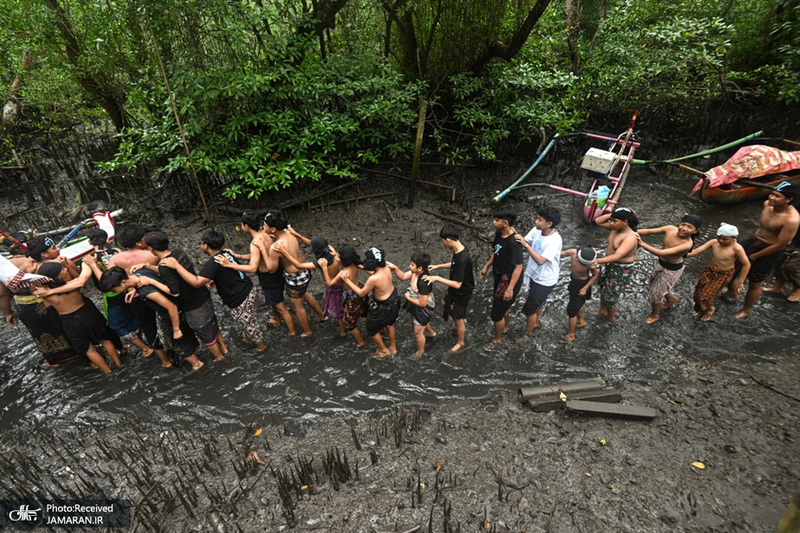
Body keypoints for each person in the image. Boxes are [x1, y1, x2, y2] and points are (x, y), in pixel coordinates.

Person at [160, 229, 267, 352]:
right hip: (247, 290)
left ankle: (261, 346)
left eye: (200, 243)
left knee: (250, 324)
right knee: (247, 320)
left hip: (240, 298)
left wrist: (177, 266)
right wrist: (213, 279)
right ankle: (248, 338)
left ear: (205, 246)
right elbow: (227, 271)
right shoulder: (225, 253)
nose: (200, 246)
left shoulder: (213, 263)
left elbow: (196, 282)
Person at [143, 231, 227, 361]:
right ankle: (224, 347)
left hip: (193, 305)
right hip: (203, 295)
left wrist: (151, 281)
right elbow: (167, 270)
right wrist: (148, 266)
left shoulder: (165, 266)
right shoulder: (178, 252)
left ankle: (218, 357)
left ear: (151, 248)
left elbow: (174, 291)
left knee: (204, 332)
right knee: (211, 323)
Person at [723, 182, 800, 317]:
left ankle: (745, 310)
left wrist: (755, 256)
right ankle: (731, 291)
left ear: (788, 199)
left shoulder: (791, 219)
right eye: (771, 194)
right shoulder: (767, 205)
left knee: (755, 282)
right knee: (731, 268)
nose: (771, 197)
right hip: (753, 240)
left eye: (777, 196)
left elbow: (780, 245)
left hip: (770, 250)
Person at [101, 266, 201, 369]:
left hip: (172, 315)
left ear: (123, 282)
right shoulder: (138, 273)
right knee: (182, 342)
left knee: (177, 345)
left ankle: (197, 364)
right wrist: (135, 290)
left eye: (114, 289)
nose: (114, 292)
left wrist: (176, 329)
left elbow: (171, 307)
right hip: (175, 312)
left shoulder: (145, 290)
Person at [33, 262, 121, 374]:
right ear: (57, 276)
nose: (65, 269)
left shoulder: (44, 293)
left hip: (69, 321)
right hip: (87, 314)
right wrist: (85, 261)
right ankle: (118, 365)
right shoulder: (74, 283)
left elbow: (43, 299)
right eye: (63, 269)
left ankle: (108, 372)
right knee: (105, 340)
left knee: (89, 350)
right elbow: (84, 274)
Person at [82, 228, 155, 360]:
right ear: (107, 239)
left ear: (89, 242)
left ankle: (145, 348)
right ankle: (143, 343)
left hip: (112, 295)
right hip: (129, 288)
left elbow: (104, 281)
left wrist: (93, 265)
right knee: (134, 318)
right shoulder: (116, 251)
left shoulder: (90, 259)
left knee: (117, 325)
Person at [216, 212, 295, 335]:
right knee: (274, 303)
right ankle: (278, 320)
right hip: (273, 273)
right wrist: (237, 256)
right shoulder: (265, 234)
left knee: (281, 306)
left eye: (242, 225)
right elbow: (257, 258)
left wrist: (230, 265)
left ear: (246, 226)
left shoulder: (255, 242)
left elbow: (253, 267)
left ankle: (292, 332)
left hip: (269, 277)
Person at [108, 224, 171, 364]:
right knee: (167, 321)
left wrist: (130, 289)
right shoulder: (151, 254)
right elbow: (165, 272)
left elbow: (113, 281)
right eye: (144, 238)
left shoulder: (115, 260)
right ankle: (176, 349)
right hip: (155, 292)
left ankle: (165, 361)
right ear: (138, 241)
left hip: (135, 297)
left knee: (149, 328)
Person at [263, 211, 326, 337]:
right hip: (305, 271)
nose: (263, 228)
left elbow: (272, 269)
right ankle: (321, 315)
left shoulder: (276, 247)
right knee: (305, 293)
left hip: (295, 278)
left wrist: (264, 253)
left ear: (273, 229)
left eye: (265, 226)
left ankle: (307, 331)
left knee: (297, 306)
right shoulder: (288, 233)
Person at [636, 214, 702, 324]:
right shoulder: (670, 229)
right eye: (683, 224)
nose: (684, 228)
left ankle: (654, 315)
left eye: (690, 227)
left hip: (672, 269)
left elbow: (660, 252)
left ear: (696, 231)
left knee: (656, 295)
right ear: (679, 223)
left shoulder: (687, 244)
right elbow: (648, 231)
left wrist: (642, 243)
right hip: (661, 263)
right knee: (653, 283)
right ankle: (671, 299)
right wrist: (634, 232)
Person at [424, 225, 474, 353]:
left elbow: (458, 284)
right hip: (455, 289)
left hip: (462, 291)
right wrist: (437, 267)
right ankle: (455, 325)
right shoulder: (459, 249)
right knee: (445, 303)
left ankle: (460, 341)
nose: (444, 244)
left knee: (459, 318)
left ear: (448, 240)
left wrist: (437, 278)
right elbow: (454, 264)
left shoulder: (463, 258)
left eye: (443, 241)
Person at [340, 247, 399, 357]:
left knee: (371, 329)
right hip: (394, 299)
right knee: (390, 324)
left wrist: (347, 280)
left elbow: (361, 293)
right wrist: (361, 267)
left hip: (383, 306)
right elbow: (374, 272)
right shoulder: (386, 268)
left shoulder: (373, 279)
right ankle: (393, 348)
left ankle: (383, 351)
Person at [515, 207, 563, 338]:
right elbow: (524, 240)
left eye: (539, 220)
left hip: (545, 280)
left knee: (529, 310)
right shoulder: (537, 230)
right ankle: (535, 323)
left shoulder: (555, 240)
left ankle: (527, 334)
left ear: (549, 224)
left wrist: (526, 246)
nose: (536, 222)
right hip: (533, 275)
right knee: (538, 302)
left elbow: (541, 260)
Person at [688, 223, 750, 321]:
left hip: (723, 274)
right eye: (719, 238)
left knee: (705, 296)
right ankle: (703, 308)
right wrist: (680, 253)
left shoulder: (736, 248)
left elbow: (746, 264)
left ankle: (709, 309)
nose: (721, 241)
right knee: (697, 293)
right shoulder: (714, 242)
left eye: (725, 239)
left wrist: (740, 282)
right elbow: (696, 251)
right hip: (710, 270)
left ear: (734, 238)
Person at [480, 208, 524, 345]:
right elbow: (496, 252)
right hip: (499, 277)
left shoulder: (514, 243)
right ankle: (505, 327)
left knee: (496, 314)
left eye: (496, 220)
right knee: (503, 307)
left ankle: (497, 339)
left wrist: (510, 289)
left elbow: (519, 267)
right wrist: (487, 266)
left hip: (508, 281)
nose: (493, 223)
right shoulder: (499, 234)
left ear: (505, 223)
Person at [593, 207, 640, 323]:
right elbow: (598, 221)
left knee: (611, 296)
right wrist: (614, 215)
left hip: (620, 269)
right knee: (603, 287)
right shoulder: (615, 228)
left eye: (615, 221)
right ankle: (602, 311)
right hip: (609, 263)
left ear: (625, 222)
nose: (611, 223)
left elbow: (617, 255)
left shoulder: (630, 237)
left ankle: (611, 319)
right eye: (611, 220)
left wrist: (597, 261)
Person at [387, 252, 436, 358]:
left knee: (418, 333)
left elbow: (422, 304)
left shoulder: (423, 282)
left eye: (412, 265)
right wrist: (395, 268)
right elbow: (403, 276)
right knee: (422, 322)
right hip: (417, 301)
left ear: (420, 268)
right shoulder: (415, 273)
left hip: (424, 307)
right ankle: (431, 333)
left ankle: (420, 352)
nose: (410, 266)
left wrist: (408, 297)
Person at [319, 245, 369, 347]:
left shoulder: (343, 272)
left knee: (349, 324)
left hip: (353, 298)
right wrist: (334, 251)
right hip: (360, 289)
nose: (336, 258)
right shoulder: (354, 263)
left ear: (343, 260)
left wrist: (324, 268)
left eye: (338, 257)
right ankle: (383, 330)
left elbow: (329, 283)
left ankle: (360, 342)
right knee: (367, 312)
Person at [560, 247, 599, 342]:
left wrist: (585, 288)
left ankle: (571, 334)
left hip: (582, 284)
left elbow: (595, 275)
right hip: (574, 281)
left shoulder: (590, 265)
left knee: (571, 310)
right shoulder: (573, 252)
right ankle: (581, 321)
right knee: (574, 302)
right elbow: (561, 253)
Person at [766, 229, 800, 302]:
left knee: (793, 268)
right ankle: (776, 287)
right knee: (781, 263)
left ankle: (797, 290)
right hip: (793, 238)